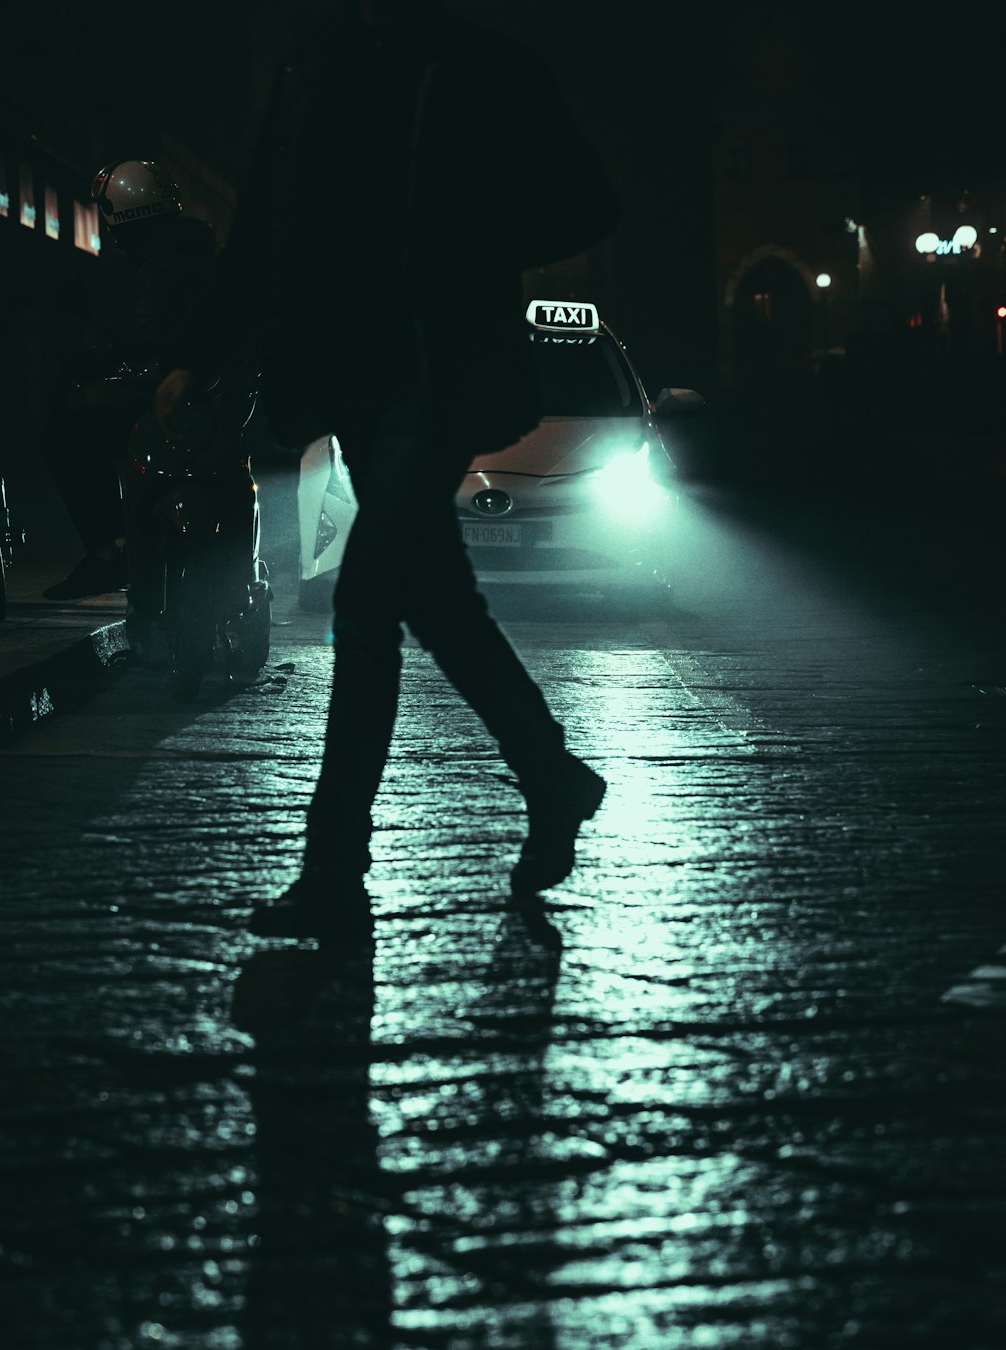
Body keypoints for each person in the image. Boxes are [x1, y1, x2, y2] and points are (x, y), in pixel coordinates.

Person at [155, 0, 621, 932]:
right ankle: (552, 773)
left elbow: (586, 200)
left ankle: (333, 872)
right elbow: (259, 234)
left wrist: (470, 235)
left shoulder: (483, 65)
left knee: (364, 604)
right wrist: (192, 355)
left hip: (434, 374)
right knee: (436, 598)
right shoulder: (307, 70)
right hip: (348, 381)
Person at [41, 160, 217, 600]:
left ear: (124, 217)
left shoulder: (160, 263)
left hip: (173, 398)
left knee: (65, 435)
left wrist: (94, 358)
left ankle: (108, 553)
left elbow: (151, 337)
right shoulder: (197, 249)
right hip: (218, 401)